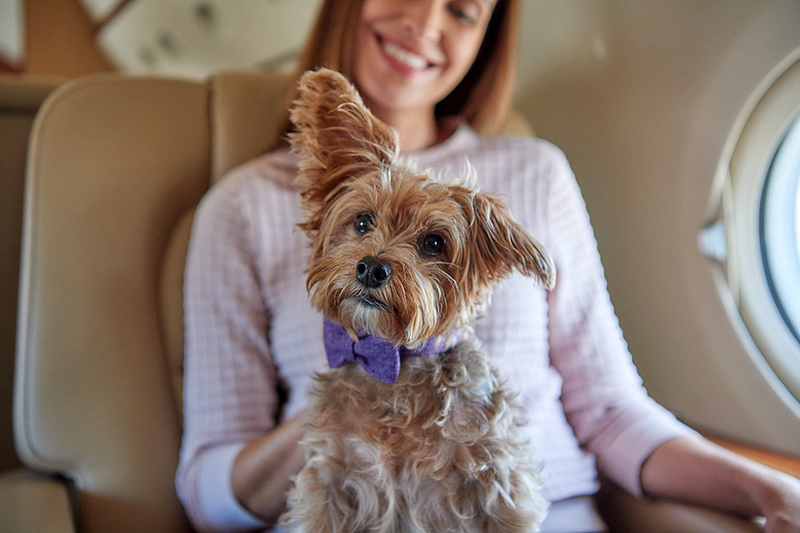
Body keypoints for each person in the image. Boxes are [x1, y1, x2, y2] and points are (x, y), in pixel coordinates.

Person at [176, 0, 800, 531]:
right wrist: (346, 415)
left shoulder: (537, 174)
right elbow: (206, 485)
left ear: (485, 39)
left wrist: (770, 490)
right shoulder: (243, 206)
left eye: (462, 9)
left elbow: (611, 411)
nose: (424, 22)